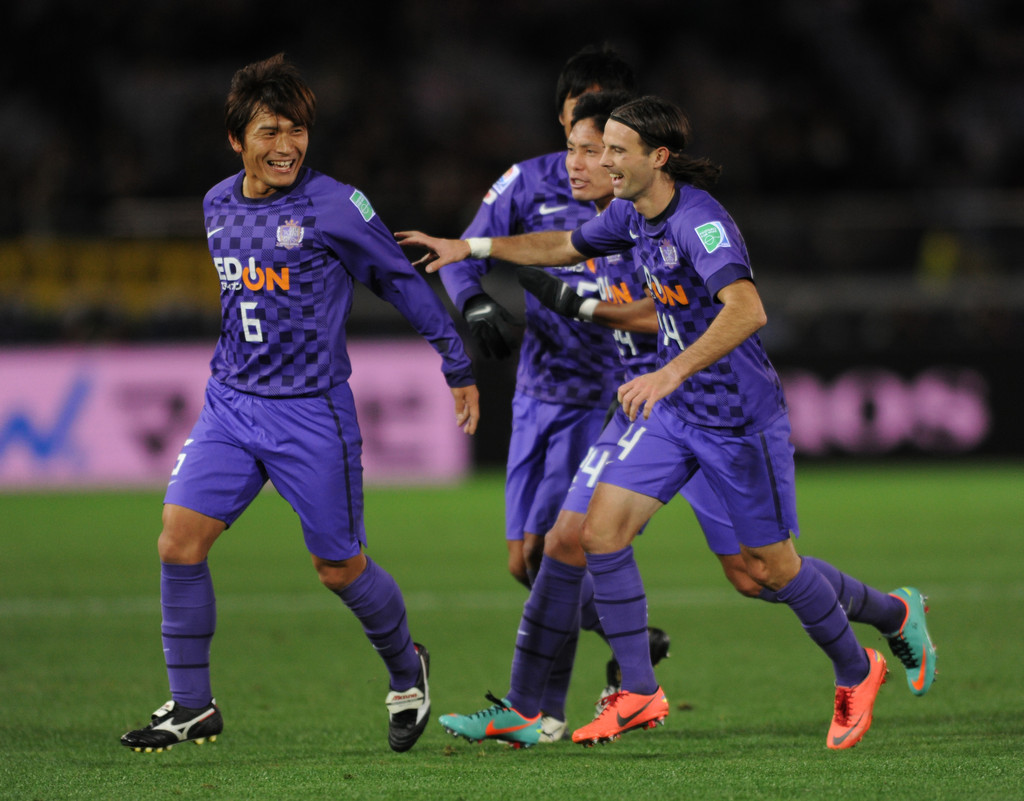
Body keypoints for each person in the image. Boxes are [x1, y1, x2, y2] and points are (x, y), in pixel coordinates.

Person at [396, 95, 936, 750]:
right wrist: (468, 246)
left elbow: (747, 310)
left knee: (770, 567)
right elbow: (562, 244)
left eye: (616, 150)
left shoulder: (701, 224)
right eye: (598, 148)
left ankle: (860, 665)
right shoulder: (631, 213)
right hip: (675, 414)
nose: (603, 161)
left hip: (736, 420)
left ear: (657, 157)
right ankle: (640, 689)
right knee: (600, 531)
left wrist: (668, 371)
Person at [119, 53, 480, 756]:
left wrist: (456, 359)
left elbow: (399, 281)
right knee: (178, 541)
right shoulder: (216, 203)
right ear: (237, 139)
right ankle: (193, 705)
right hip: (229, 404)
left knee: (338, 567)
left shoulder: (336, 205)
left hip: (311, 412)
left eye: (298, 131)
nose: (286, 146)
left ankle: (409, 672)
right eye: (270, 131)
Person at [435, 44, 667, 741]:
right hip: (544, 393)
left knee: (560, 546)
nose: (584, 150)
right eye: (575, 131)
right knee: (526, 557)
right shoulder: (527, 181)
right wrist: (473, 305)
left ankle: (550, 704)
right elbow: (462, 252)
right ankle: (624, 640)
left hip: (617, 392)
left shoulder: (645, 198)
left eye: (601, 133)